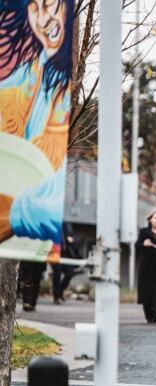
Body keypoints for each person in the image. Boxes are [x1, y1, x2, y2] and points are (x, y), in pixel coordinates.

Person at [0, 0, 74, 250]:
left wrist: (16, 213)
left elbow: (50, 198)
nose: (42, 19)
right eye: (35, 7)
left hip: (26, 227)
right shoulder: (25, 74)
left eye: (49, 5)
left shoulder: (60, 90)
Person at [50, 222, 78, 304]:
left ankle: (60, 291)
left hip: (66, 254)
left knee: (70, 273)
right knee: (57, 275)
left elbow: (73, 236)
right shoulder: (53, 224)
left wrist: (72, 239)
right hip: (55, 253)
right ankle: (56, 297)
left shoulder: (67, 225)